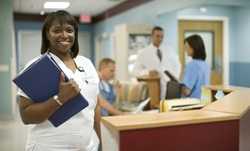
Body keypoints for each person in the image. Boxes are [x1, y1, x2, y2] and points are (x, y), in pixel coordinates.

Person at [17, 10, 100, 151]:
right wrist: (60, 99)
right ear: (47, 35)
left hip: (88, 146)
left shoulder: (86, 63)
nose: (64, 35)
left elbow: (94, 107)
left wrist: (101, 141)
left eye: (69, 30)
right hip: (48, 146)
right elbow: (26, 116)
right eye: (57, 30)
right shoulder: (36, 67)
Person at [133, 26, 181, 99]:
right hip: (153, 89)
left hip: (170, 87)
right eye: (157, 36)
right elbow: (135, 71)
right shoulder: (143, 53)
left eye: (162, 36)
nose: (160, 39)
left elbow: (178, 65)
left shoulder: (170, 50)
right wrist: (147, 72)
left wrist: (174, 78)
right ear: (151, 36)